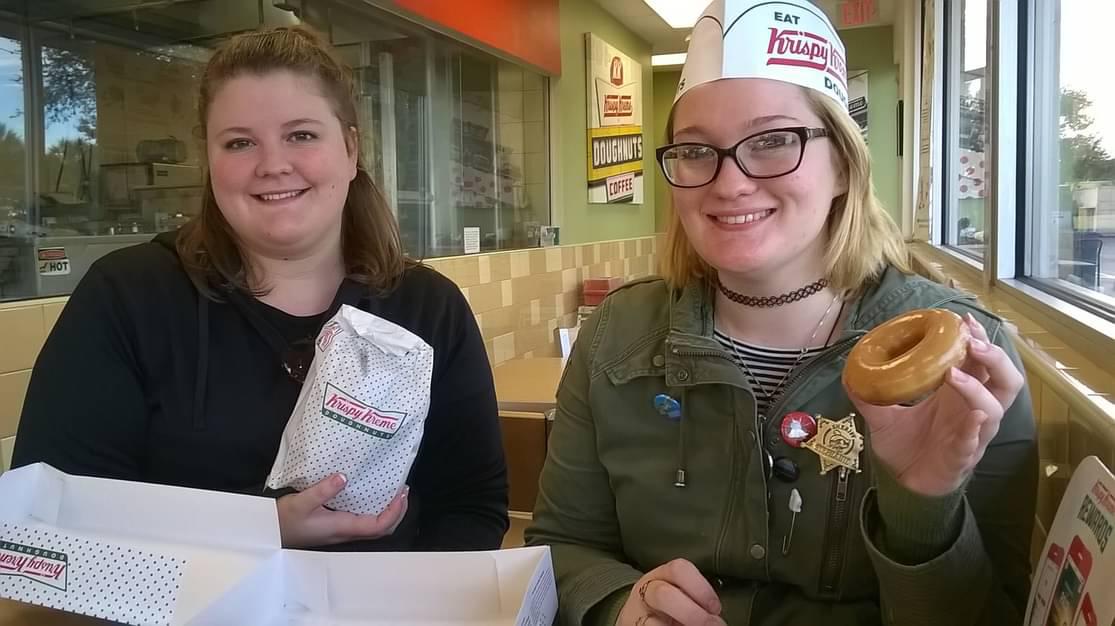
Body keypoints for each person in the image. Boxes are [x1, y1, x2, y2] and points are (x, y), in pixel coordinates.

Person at [525, 2, 1037, 624]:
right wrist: (617, 605)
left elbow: (995, 612)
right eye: (694, 150)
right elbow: (561, 546)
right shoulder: (615, 336)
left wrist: (922, 506)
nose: (730, 181)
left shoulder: (967, 362)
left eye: (772, 141)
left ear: (845, 163)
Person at [13, 25, 508, 552]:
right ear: (210, 161)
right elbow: (53, 518)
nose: (273, 165)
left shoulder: (430, 307)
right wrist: (257, 531)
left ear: (350, 147)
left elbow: (472, 507)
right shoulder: (126, 297)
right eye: (240, 142)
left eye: (301, 135)